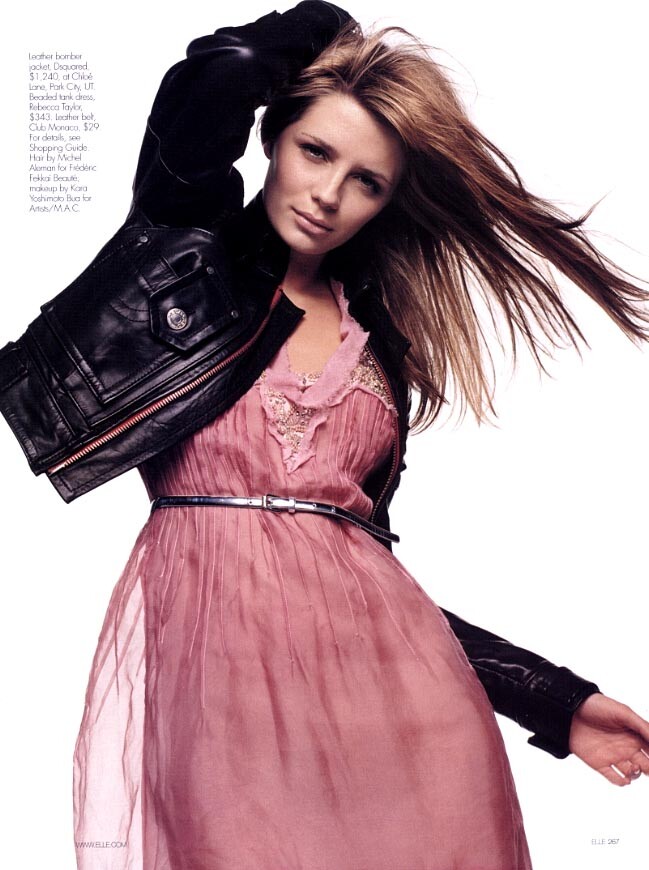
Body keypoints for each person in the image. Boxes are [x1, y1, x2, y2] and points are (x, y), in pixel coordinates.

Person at [1, 2, 648, 867]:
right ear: (273, 139)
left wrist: (553, 701)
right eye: (315, 151)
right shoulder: (183, 262)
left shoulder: (380, 349)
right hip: (222, 715)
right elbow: (216, 78)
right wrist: (334, 32)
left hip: (408, 723)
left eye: (366, 181)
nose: (329, 194)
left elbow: (361, 577)